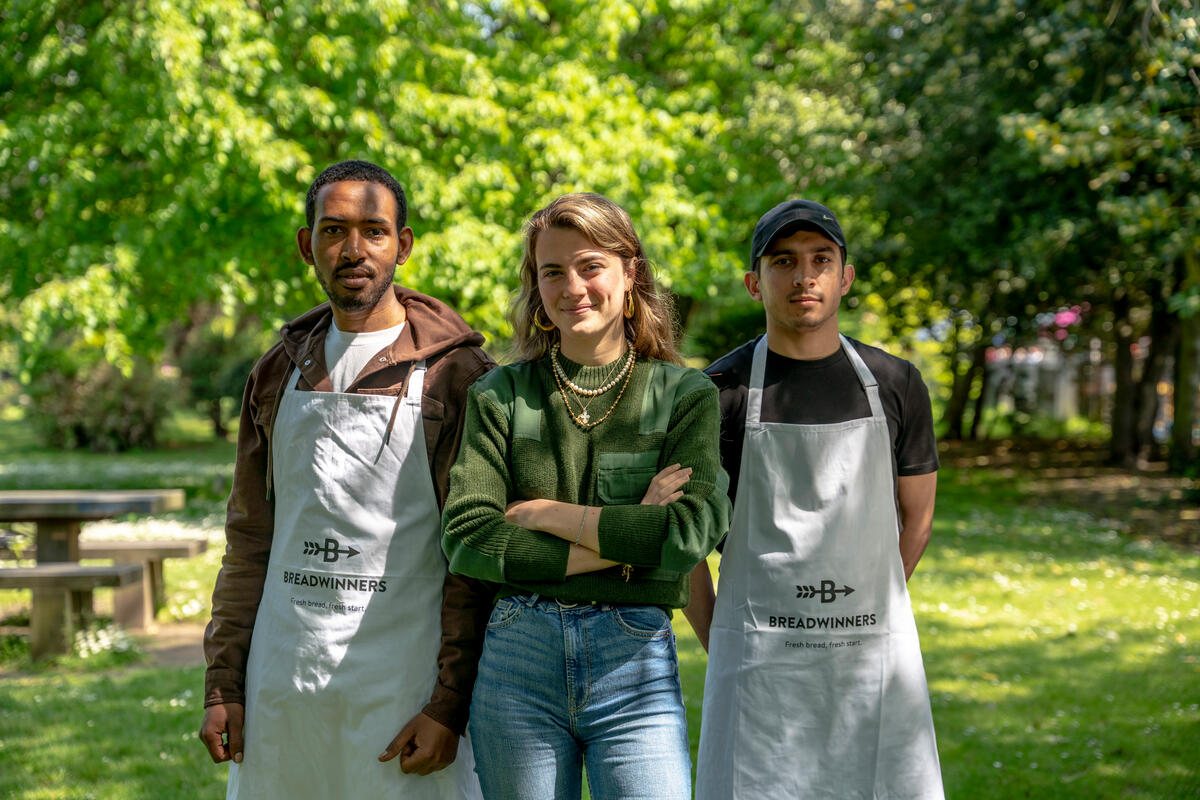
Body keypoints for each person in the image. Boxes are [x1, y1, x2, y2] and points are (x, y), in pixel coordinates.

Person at [198, 159, 493, 799]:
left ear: (403, 245)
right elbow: (249, 539)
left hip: (404, 690)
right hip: (284, 684)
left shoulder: (457, 374)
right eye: (333, 231)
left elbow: (475, 558)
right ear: (308, 245)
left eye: (374, 231)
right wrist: (224, 684)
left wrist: (449, 703)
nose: (352, 249)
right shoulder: (277, 372)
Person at [441, 193, 731, 800]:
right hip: (518, 659)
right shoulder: (501, 396)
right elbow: (468, 538)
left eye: (591, 265)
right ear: (536, 287)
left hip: (636, 665)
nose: (572, 286)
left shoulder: (685, 395)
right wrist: (630, 542)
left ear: (630, 275)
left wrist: (549, 515)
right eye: (552, 271)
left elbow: (689, 534)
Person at [689, 199, 944, 799]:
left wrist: (865, 609)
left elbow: (919, 517)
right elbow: (687, 545)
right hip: (758, 667)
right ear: (755, 282)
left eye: (820, 260)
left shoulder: (896, 383)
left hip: (870, 664)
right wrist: (725, 637)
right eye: (784, 261)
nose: (804, 276)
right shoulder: (715, 395)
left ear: (845, 277)